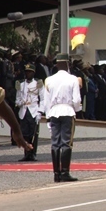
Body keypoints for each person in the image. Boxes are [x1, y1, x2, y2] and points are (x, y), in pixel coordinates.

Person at [43, 54, 82, 182]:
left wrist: (48, 116)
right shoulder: (73, 79)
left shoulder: (49, 80)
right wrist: (76, 109)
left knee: (55, 143)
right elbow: (76, 100)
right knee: (66, 142)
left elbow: (46, 102)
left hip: (54, 111)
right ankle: (65, 172)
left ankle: (56, 174)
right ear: (67, 64)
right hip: (67, 110)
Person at [15, 63, 44, 161]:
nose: (28, 74)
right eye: (26, 72)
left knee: (34, 134)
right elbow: (18, 98)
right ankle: (26, 153)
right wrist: (20, 103)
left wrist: (40, 111)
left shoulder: (38, 83)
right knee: (25, 134)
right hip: (24, 110)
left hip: (33, 110)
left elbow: (43, 98)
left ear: (33, 73)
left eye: (30, 72)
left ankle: (33, 153)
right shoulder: (21, 84)